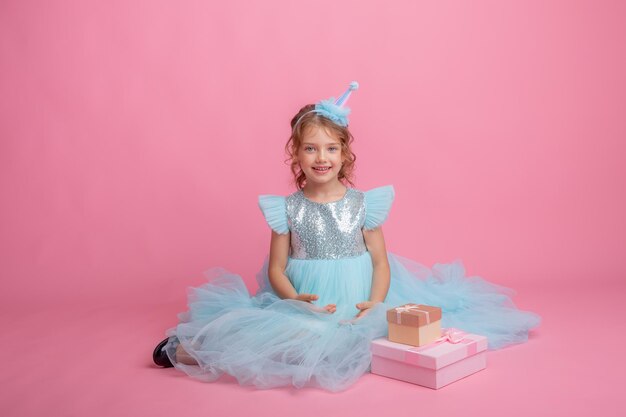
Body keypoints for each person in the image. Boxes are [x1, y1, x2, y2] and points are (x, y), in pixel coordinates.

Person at [152, 81, 541, 392]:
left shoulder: (362, 204)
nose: (321, 157)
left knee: (364, 338)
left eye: (331, 148)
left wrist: (375, 301)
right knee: (285, 335)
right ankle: (193, 350)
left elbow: (379, 261)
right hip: (309, 304)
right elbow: (276, 269)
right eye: (310, 148)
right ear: (296, 155)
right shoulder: (287, 208)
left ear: (344, 154)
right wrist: (294, 300)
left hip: (359, 302)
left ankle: (348, 329)